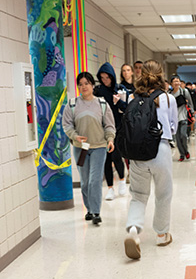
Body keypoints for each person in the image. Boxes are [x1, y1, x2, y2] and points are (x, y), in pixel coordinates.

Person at [124, 60, 178, 260]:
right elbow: (172, 128)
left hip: (138, 154)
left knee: (138, 195)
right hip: (160, 149)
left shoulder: (133, 96)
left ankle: (133, 231)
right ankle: (162, 235)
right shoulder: (168, 98)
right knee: (163, 194)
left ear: (141, 74)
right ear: (161, 74)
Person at [62, 72, 115, 225]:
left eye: (86, 83)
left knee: (95, 180)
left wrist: (110, 139)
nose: (83, 86)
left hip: (99, 146)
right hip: (81, 148)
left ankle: (96, 212)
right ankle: (89, 209)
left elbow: (109, 125)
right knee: (85, 182)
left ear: (92, 85)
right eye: (80, 84)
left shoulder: (102, 104)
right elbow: (67, 125)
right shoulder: (72, 104)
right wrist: (75, 136)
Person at [95, 62, 127, 201]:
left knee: (116, 156)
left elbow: (126, 108)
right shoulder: (98, 90)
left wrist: (118, 101)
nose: (104, 80)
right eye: (102, 78)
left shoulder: (120, 89)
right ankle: (109, 188)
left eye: (107, 77)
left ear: (112, 77)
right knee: (106, 159)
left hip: (117, 128)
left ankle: (121, 179)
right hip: (102, 129)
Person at [170, 74, 194, 161]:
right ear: (171, 84)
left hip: (183, 117)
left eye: (178, 81)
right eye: (174, 81)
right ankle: (182, 155)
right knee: (177, 138)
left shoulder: (184, 92)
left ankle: (186, 151)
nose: (176, 83)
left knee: (183, 135)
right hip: (174, 119)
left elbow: (190, 103)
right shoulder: (170, 94)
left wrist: (192, 113)